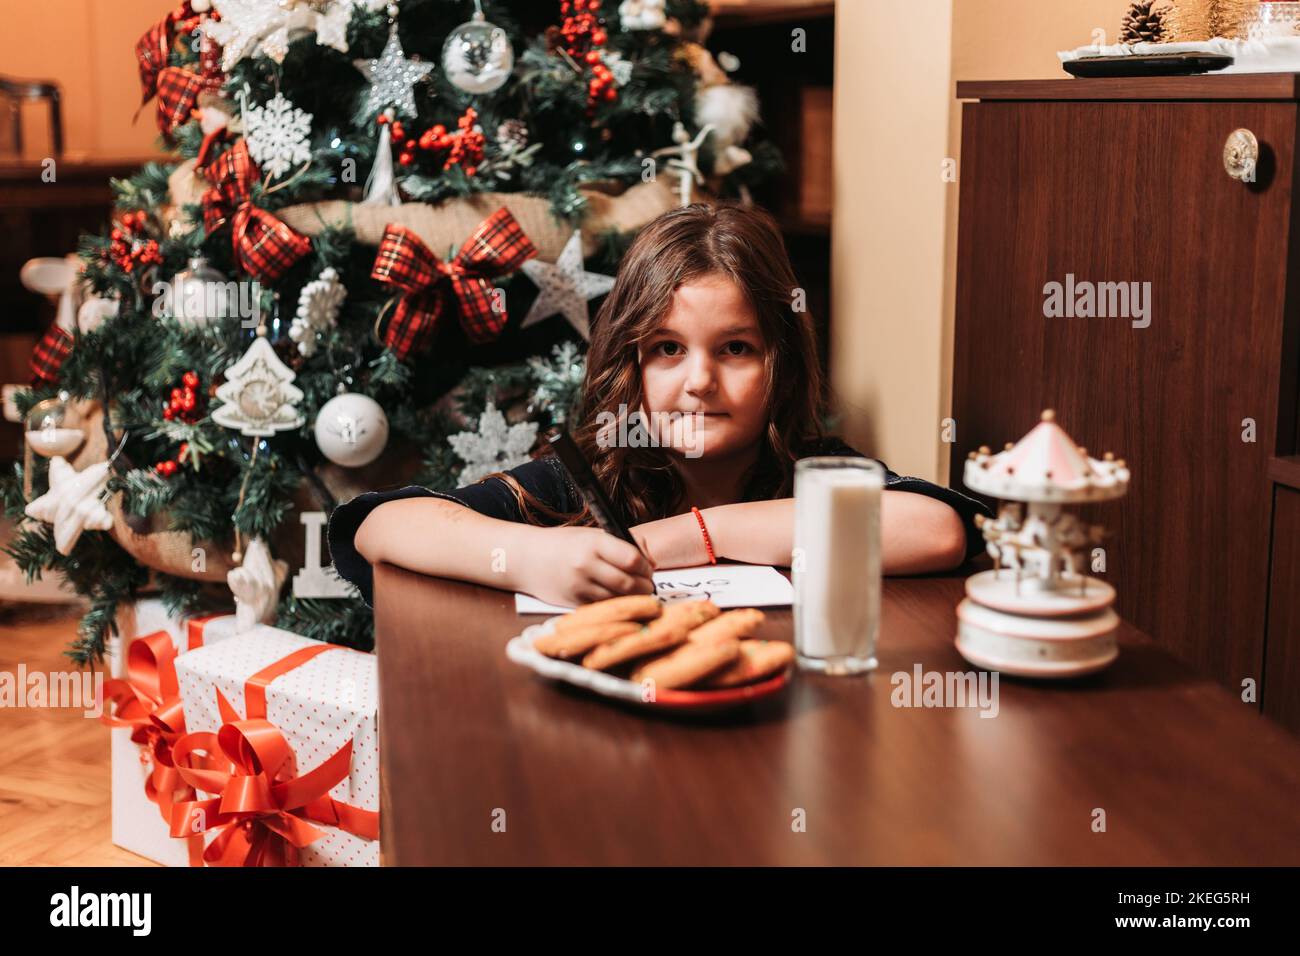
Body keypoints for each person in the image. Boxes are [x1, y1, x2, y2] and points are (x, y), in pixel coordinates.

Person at [328, 203, 990, 609]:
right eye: (668, 349)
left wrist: (689, 537)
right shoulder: (582, 481)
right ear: (629, 362)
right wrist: (531, 558)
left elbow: (940, 529)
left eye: (735, 348)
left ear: (781, 362)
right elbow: (378, 525)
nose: (699, 381)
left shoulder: (811, 468)